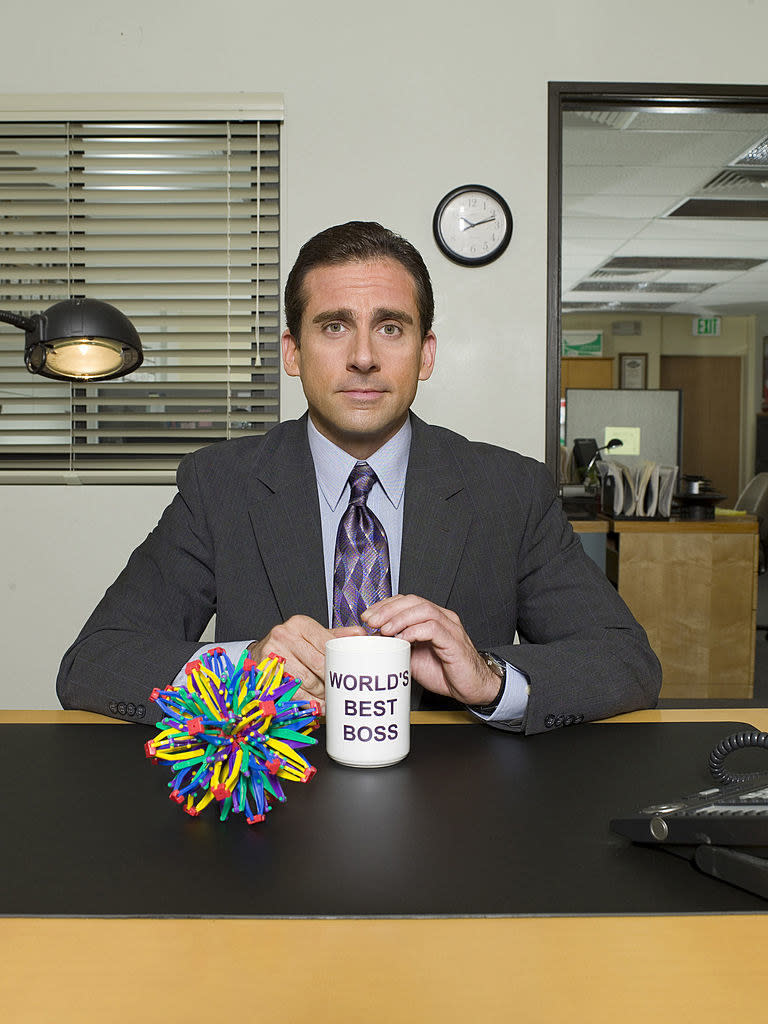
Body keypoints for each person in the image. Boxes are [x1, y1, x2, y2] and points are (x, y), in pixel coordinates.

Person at [56, 221, 661, 734]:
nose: (364, 356)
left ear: (426, 353)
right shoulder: (220, 485)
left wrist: (488, 677)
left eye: (391, 328)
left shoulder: (510, 490)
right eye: (334, 326)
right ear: (293, 354)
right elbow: (94, 663)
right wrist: (242, 669)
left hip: (460, 811)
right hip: (271, 812)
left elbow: (625, 661)